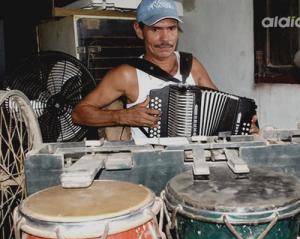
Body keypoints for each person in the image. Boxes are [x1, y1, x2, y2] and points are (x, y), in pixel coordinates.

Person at [72, 0, 258, 141]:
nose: (165, 38)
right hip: (151, 162)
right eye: (155, 29)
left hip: (196, 161)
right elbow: (79, 113)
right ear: (139, 30)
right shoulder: (127, 74)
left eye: (171, 28)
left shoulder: (191, 64)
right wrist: (122, 116)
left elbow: (221, 111)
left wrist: (242, 124)